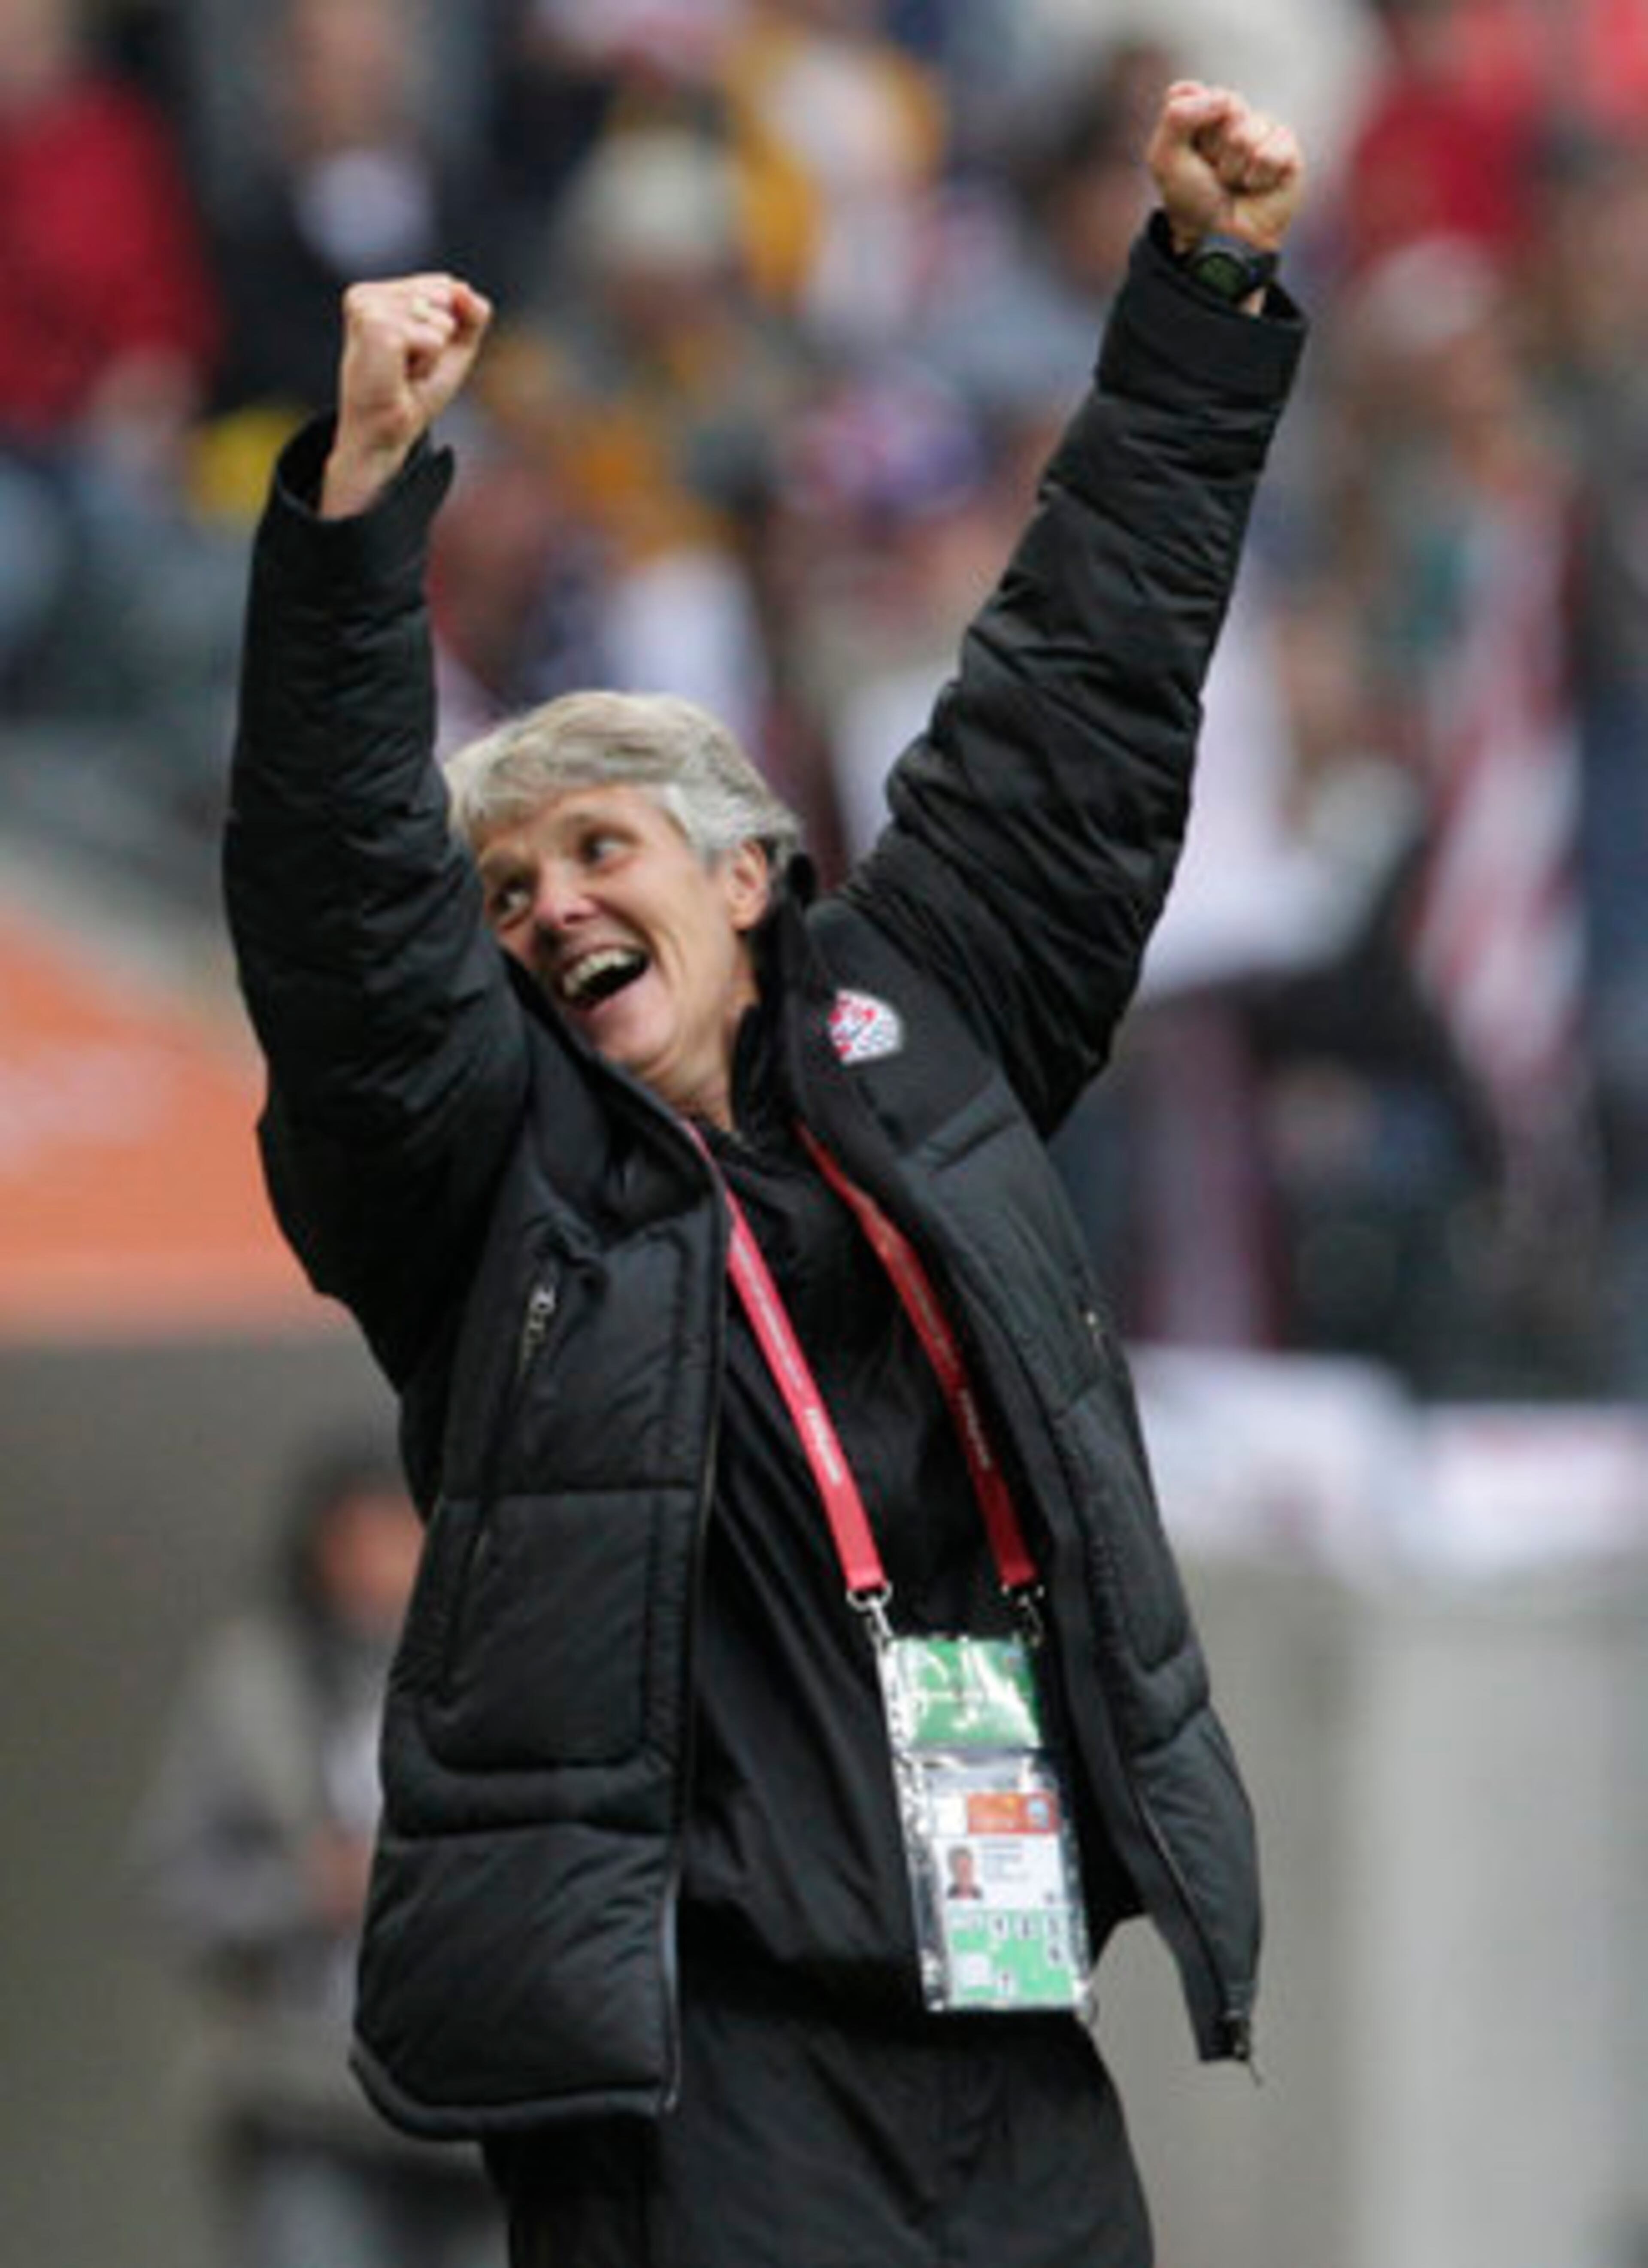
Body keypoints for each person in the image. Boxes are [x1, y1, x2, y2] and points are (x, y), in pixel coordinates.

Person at [223, 78, 1306, 2268]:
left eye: (592, 853)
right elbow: (348, 931)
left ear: (746, 873)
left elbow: (1081, 699)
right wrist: (355, 515)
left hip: (998, 2002)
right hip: (696, 2072)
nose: (540, 910)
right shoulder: (488, 1172)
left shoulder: (925, 1028)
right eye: (507, 890)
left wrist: (1200, 291)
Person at [131, 1440, 505, 2268]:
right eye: (362, 1537)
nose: (385, 1561)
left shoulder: (502, 1670)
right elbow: (180, 1888)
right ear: (319, 1548)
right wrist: (309, 1890)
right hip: (307, 2100)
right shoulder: (250, 1685)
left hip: (481, 2104)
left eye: (404, 1532)